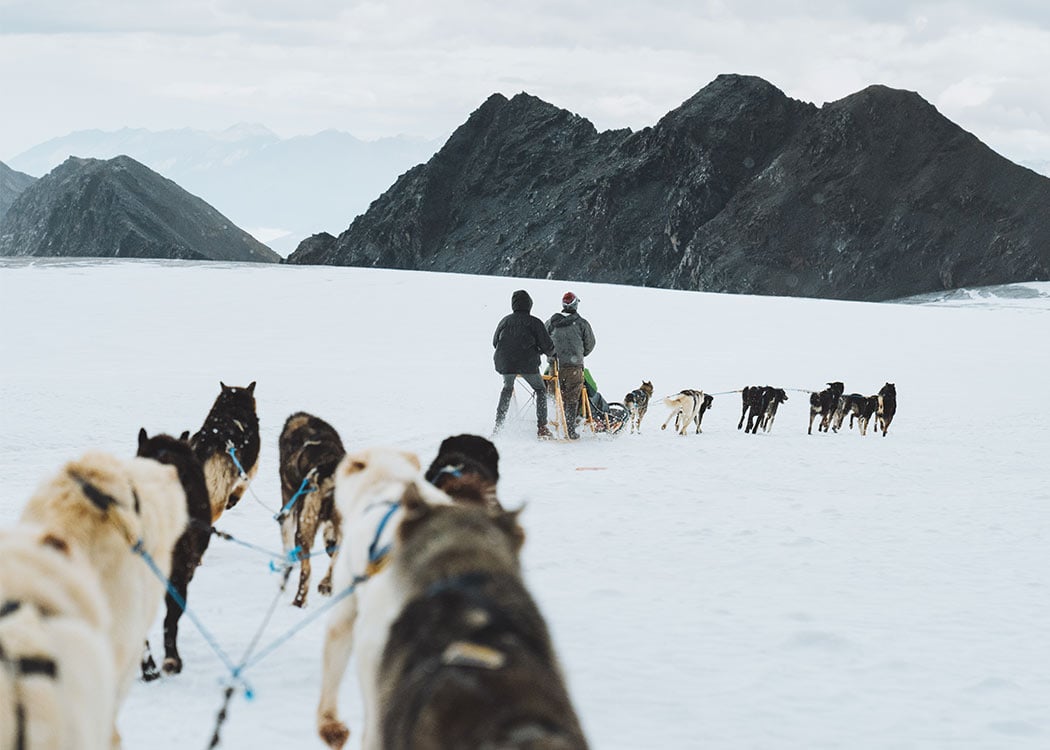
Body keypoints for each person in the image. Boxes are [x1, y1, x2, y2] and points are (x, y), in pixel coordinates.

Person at [492, 290, 557, 438]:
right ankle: (542, 427)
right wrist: (551, 353)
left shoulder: (505, 321)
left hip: (505, 363)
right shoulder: (535, 322)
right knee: (540, 390)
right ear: (529, 304)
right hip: (527, 364)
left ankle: (498, 426)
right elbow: (548, 346)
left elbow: (495, 342)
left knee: (507, 389)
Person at [546, 291, 596, 440]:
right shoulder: (582, 323)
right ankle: (569, 430)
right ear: (575, 305)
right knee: (572, 397)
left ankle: (551, 423)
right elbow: (590, 344)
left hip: (555, 366)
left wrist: (552, 356)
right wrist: (580, 354)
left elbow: (543, 340)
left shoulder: (550, 322)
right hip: (573, 367)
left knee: (554, 395)